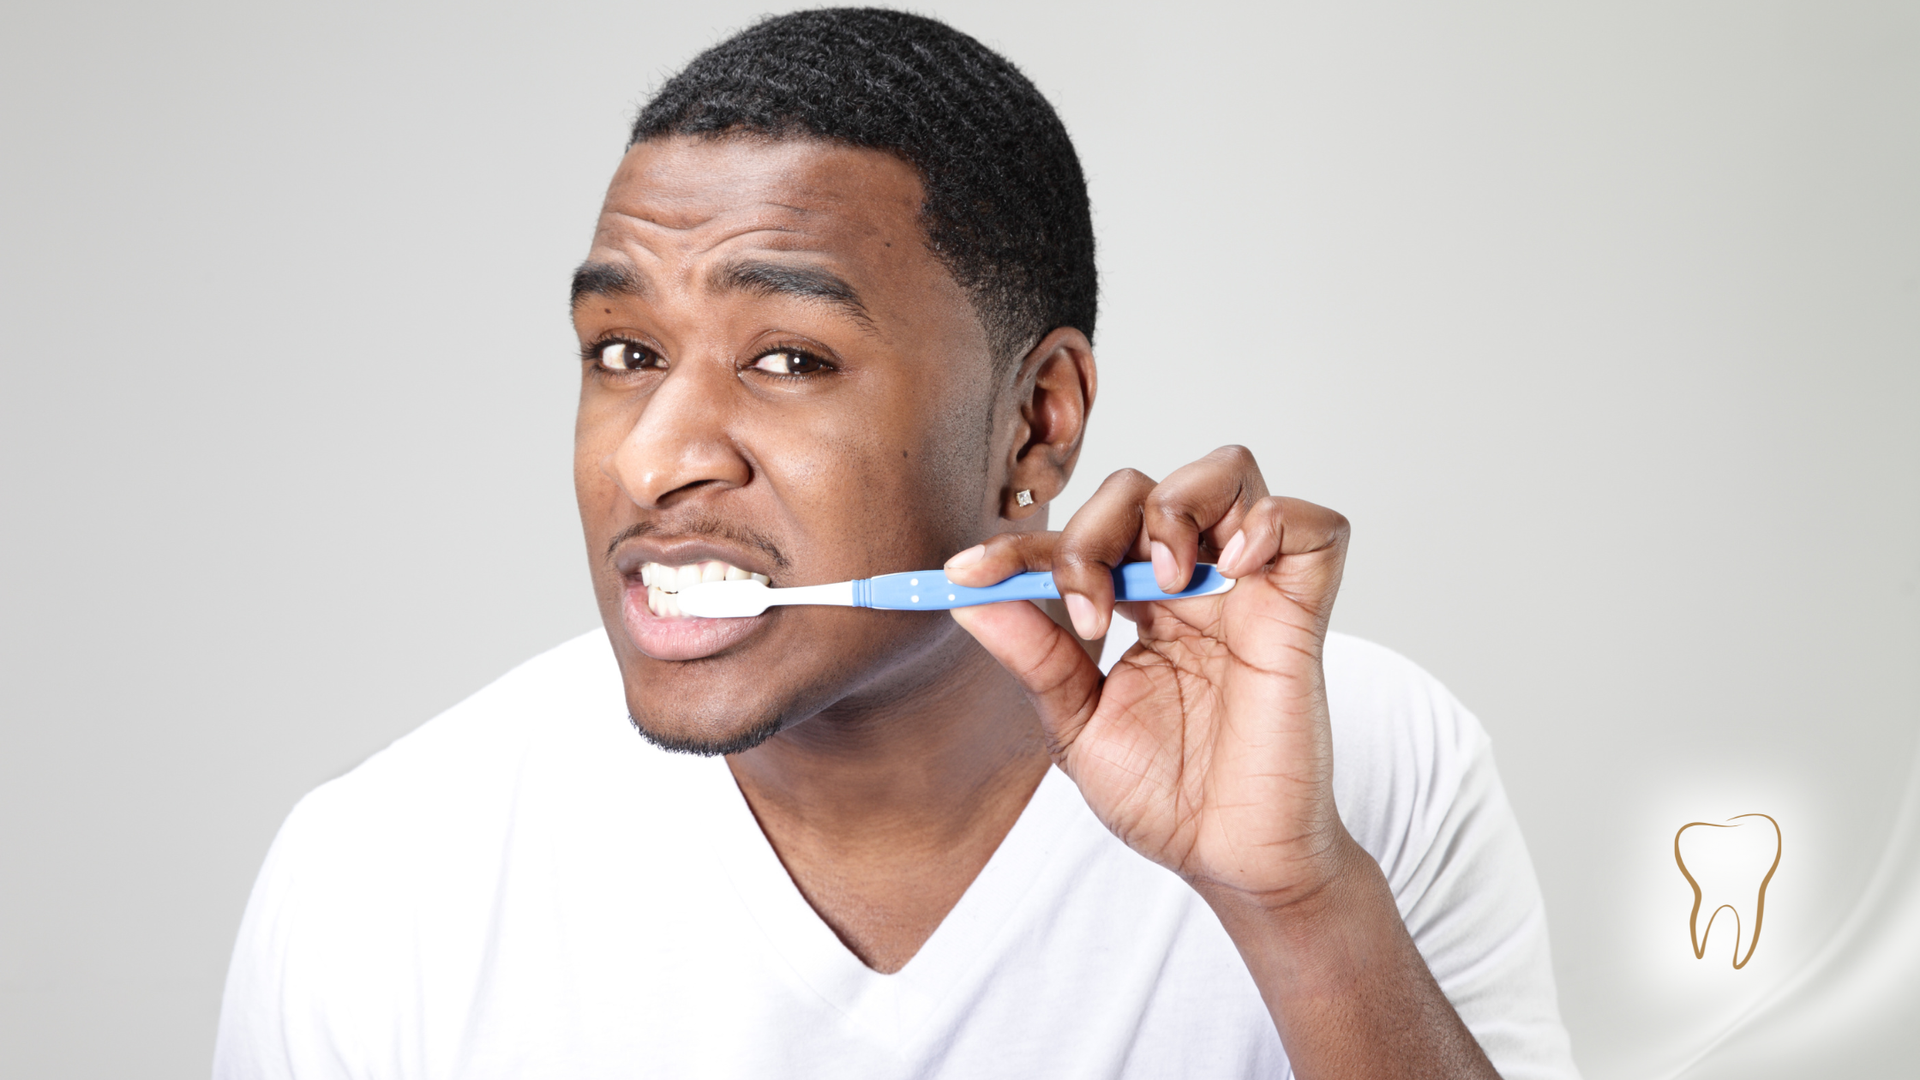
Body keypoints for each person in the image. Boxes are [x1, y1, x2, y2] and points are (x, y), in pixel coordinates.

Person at [214, 8, 1579, 1078]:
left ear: (1037, 424)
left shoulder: (1371, 770)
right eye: (622, 352)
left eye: (791, 357)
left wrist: (1297, 906)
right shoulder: (380, 877)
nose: (653, 456)